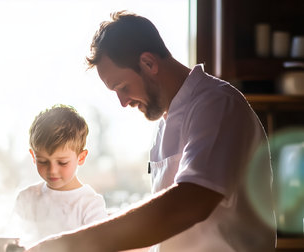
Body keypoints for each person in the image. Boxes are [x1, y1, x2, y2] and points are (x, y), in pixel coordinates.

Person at [25, 10, 276, 252]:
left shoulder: (217, 104)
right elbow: (162, 229)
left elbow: (189, 204)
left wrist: (71, 244)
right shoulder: (163, 125)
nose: (123, 102)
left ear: (148, 63)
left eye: (122, 87)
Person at [12, 104, 108, 247]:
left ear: (81, 158)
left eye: (62, 162)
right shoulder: (26, 198)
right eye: (43, 161)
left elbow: (100, 248)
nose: (52, 170)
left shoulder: (90, 204)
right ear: (33, 156)